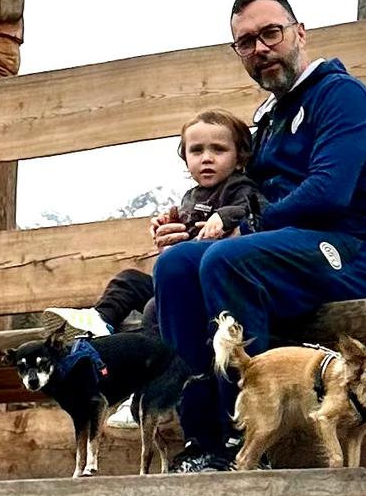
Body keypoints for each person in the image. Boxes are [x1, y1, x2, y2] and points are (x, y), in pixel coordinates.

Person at [153, 0, 366, 468]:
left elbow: (329, 192)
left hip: (356, 251)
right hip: (287, 253)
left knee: (229, 259)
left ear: (299, 33)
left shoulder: (341, 96)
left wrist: (245, 227)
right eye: (245, 42)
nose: (260, 48)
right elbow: (245, 198)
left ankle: (248, 438)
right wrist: (192, 225)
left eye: (271, 33)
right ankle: (206, 441)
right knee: (176, 267)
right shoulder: (269, 120)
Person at [91, 110, 261, 336]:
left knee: (154, 309)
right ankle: (96, 323)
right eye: (196, 150)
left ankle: (161, 361)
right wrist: (168, 224)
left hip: (206, 285)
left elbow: (257, 209)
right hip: (178, 279)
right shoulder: (191, 196)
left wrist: (224, 216)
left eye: (219, 149)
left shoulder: (239, 187)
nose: (206, 158)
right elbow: (185, 229)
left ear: (240, 158)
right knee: (128, 280)